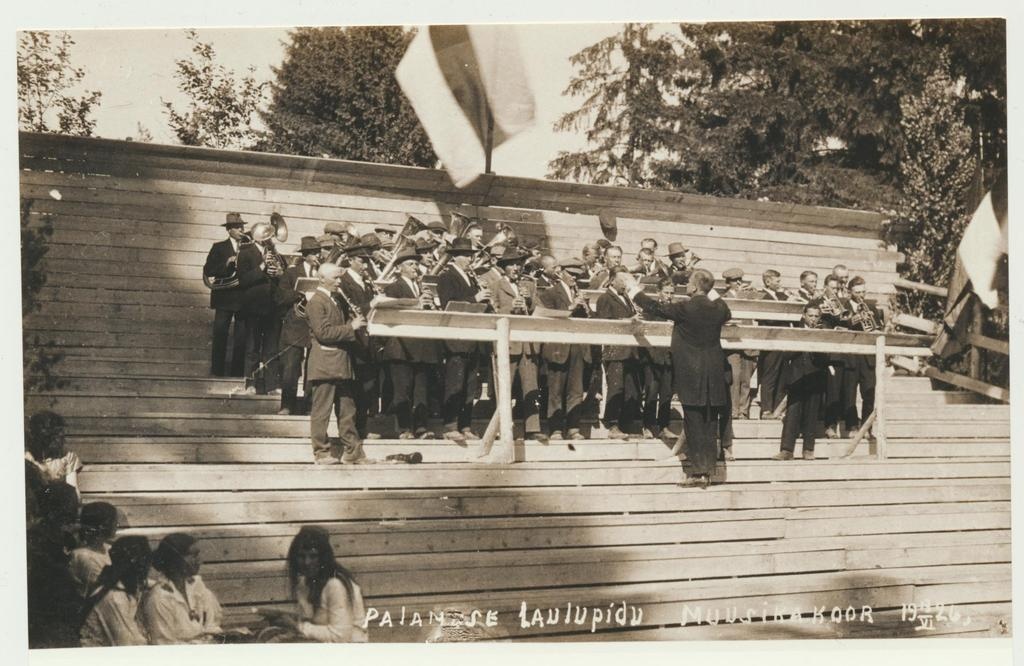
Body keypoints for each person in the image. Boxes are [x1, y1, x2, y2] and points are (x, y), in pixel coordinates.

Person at [628, 269, 731, 488]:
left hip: (691, 373)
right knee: (710, 422)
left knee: (693, 422)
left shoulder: (686, 307)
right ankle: (708, 472)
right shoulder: (719, 308)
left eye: (689, 284)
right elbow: (726, 311)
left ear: (693, 287)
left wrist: (632, 289)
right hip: (713, 374)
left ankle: (696, 474)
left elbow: (654, 307)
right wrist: (710, 289)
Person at [260, 526, 368, 643]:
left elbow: (340, 637)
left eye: (313, 556)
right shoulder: (304, 582)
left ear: (323, 558)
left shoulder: (335, 585)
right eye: (301, 556)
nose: (307, 562)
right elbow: (316, 623)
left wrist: (297, 626)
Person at [307, 263, 368, 464]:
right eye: (335, 278)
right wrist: (351, 327)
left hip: (341, 363)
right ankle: (321, 453)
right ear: (322, 279)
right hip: (325, 364)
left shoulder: (336, 299)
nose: (339, 282)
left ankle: (353, 451)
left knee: (347, 410)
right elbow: (323, 333)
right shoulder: (316, 302)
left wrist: (353, 318)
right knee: (321, 412)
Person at [436, 238, 492, 443]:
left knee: (469, 385)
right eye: (466, 256)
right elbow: (448, 304)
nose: (470, 259)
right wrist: (475, 299)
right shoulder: (446, 277)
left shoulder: (471, 277)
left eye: (471, 255)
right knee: (455, 384)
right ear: (455, 257)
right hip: (457, 338)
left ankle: (465, 425)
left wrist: (486, 301)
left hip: (472, 337)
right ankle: (450, 425)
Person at [381, 250, 439, 439]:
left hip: (421, 346)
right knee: (402, 389)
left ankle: (421, 426)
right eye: (410, 264)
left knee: (421, 389)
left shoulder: (422, 287)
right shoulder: (393, 288)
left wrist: (431, 305)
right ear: (399, 269)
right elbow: (392, 311)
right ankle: (404, 428)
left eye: (416, 264)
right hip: (401, 346)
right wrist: (417, 304)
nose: (415, 268)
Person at [489, 248, 544, 442]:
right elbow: (491, 312)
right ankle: (500, 428)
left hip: (526, 343)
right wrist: (510, 308)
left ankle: (532, 428)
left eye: (518, 264)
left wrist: (528, 301)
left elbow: (539, 310)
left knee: (531, 387)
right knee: (505, 386)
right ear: (504, 268)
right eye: (512, 264)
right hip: (508, 342)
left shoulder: (529, 284)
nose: (516, 268)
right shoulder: (496, 285)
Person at [537, 260, 592, 441]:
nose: (575, 278)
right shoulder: (549, 293)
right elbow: (547, 317)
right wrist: (571, 307)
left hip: (577, 346)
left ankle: (573, 428)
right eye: (571, 274)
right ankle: (556, 429)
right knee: (556, 390)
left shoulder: (579, 293)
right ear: (560, 273)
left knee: (576, 389)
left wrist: (585, 308)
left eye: (577, 275)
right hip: (558, 347)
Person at [26, 482, 82, 648]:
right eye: (72, 504)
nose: (75, 509)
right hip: (46, 614)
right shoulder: (37, 538)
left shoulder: (63, 537)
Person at [141, 533, 224, 645]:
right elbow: (165, 646)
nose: (200, 561)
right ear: (175, 559)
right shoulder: (159, 599)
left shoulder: (196, 586)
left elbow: (212, 625)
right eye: (193, 555)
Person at [337, 243, 382, 440]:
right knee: (354, 388)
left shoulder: (366, 281)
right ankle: (352, 429)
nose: (366, 265)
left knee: (368, 386)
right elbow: (346, 311)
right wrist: (371, 304)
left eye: (368, 261)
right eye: (362, 261)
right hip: (353, 340)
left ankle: (362, 426)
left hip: (368, 339)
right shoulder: (343, 282)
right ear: (351, 260)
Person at [236, 220, 286, 395]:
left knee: (272, 348)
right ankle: (250, 384)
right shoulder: (245, 253)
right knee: (252, 347)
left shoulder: (275, 253)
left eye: (270, 237)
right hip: (254, 307)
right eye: (267, 237)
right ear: (259, 238)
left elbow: (284, 277)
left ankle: (272, 386)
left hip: (273, 306)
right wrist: (263, 266)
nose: (270, 240)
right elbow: (243, 280)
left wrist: (280, 273)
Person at [773, 304, 828, 460]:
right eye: (811, 315)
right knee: (792, 414)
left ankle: (808, 450)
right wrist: (804, 339)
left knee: (811, 415)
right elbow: (785, 355)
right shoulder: (795, 330)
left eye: (816, 316)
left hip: (814, 377)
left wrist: (817, 341)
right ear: (804, 315)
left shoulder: (823, 333)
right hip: (796, 378)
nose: (813, 319)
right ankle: (786, 450)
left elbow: (826, 358)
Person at [79, 536, 152, 647]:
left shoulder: (121, 587)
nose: (148, 569)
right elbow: (126, 644)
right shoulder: (115, 597)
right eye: (145, 563)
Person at [595, 267, 642, 439]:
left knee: (631, 389)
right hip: (615, 351)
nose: (626, 284)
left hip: (630, 350)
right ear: (612, 280)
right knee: (616, 387)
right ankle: (612, 425)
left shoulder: (627, 298)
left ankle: (627, 424)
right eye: (623, 280)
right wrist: (627, 321)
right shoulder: (604, 298)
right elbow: (604, 322)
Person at [277, 236, 321, 415]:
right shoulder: (291, 273)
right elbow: (280, 298)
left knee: (313, 368)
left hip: (315, 325)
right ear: (306, 255)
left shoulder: (323, 272)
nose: (318, 255)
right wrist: (300, 294)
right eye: (314, 253)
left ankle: (309, 405)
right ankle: (287, 405)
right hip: (295, 324)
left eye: (318, 252)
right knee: (290, 368)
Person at [203, 212, 248, 377]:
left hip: (243, 298)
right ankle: (217, 372)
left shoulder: (248, 246)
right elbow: (208, 270)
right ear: (228, 230)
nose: (241, 230)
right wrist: (226, 263)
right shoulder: (219, 247)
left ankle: (236, 374)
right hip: (224, 298)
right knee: (220, 335)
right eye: (237, 227)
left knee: (241, 338)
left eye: (242, 226)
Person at [843, 277, 883, 437]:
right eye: (857, 292)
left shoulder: (871, 306)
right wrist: (855, 319)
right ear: (849, 292)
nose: (861, 296)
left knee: (869, 392)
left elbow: (879, 328)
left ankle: (867, 428)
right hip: (851, 355)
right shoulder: (844, 307)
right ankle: (852, 426)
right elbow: (841, 325)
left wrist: (874, 324)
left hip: (868, 356)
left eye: (863, 292)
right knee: (849, 393)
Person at [639, 278, 675, 438]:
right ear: (659, 292)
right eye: (666, 292)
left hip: (669, 358)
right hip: (652, 358)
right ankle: (647, 426)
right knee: (652, 392)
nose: (669, 296)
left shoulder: (674, 310)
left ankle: (663, 427)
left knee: (666, 394)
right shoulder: (651, 310)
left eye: (671, 293)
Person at [721, 268, 758, 422]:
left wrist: (752, 296)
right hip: (733, 341)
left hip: (747, 341)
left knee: (746, 379)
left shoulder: (748, 296)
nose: (739, 283)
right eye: (735, 281)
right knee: (735, 377)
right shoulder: (723, 298)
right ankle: (734, 410)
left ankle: (744, 410)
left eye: (740, 280)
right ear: (728, 283)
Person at [756, 269, 790, 418]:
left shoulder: (781, 296)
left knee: (782, 375)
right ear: (768, 281)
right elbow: (768, 319)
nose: (779, 283)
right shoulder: (762, 296)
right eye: (777, 281)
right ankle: (766, 409)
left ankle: (777, 408)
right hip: (770, 340)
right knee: (769, 375)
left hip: (782, 340)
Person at [25, 410, 81, 496]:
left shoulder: (67, 456)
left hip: (58, 501)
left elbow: (74, 492)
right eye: (58, 436)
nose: (63, 440)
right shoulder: (27, 458)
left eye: (63, 435)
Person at [70, 501, 118, 598]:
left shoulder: (109, 548)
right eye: (114, 521)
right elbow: (104, 591)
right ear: (102, 526)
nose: (117, 525)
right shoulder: (84, 556)